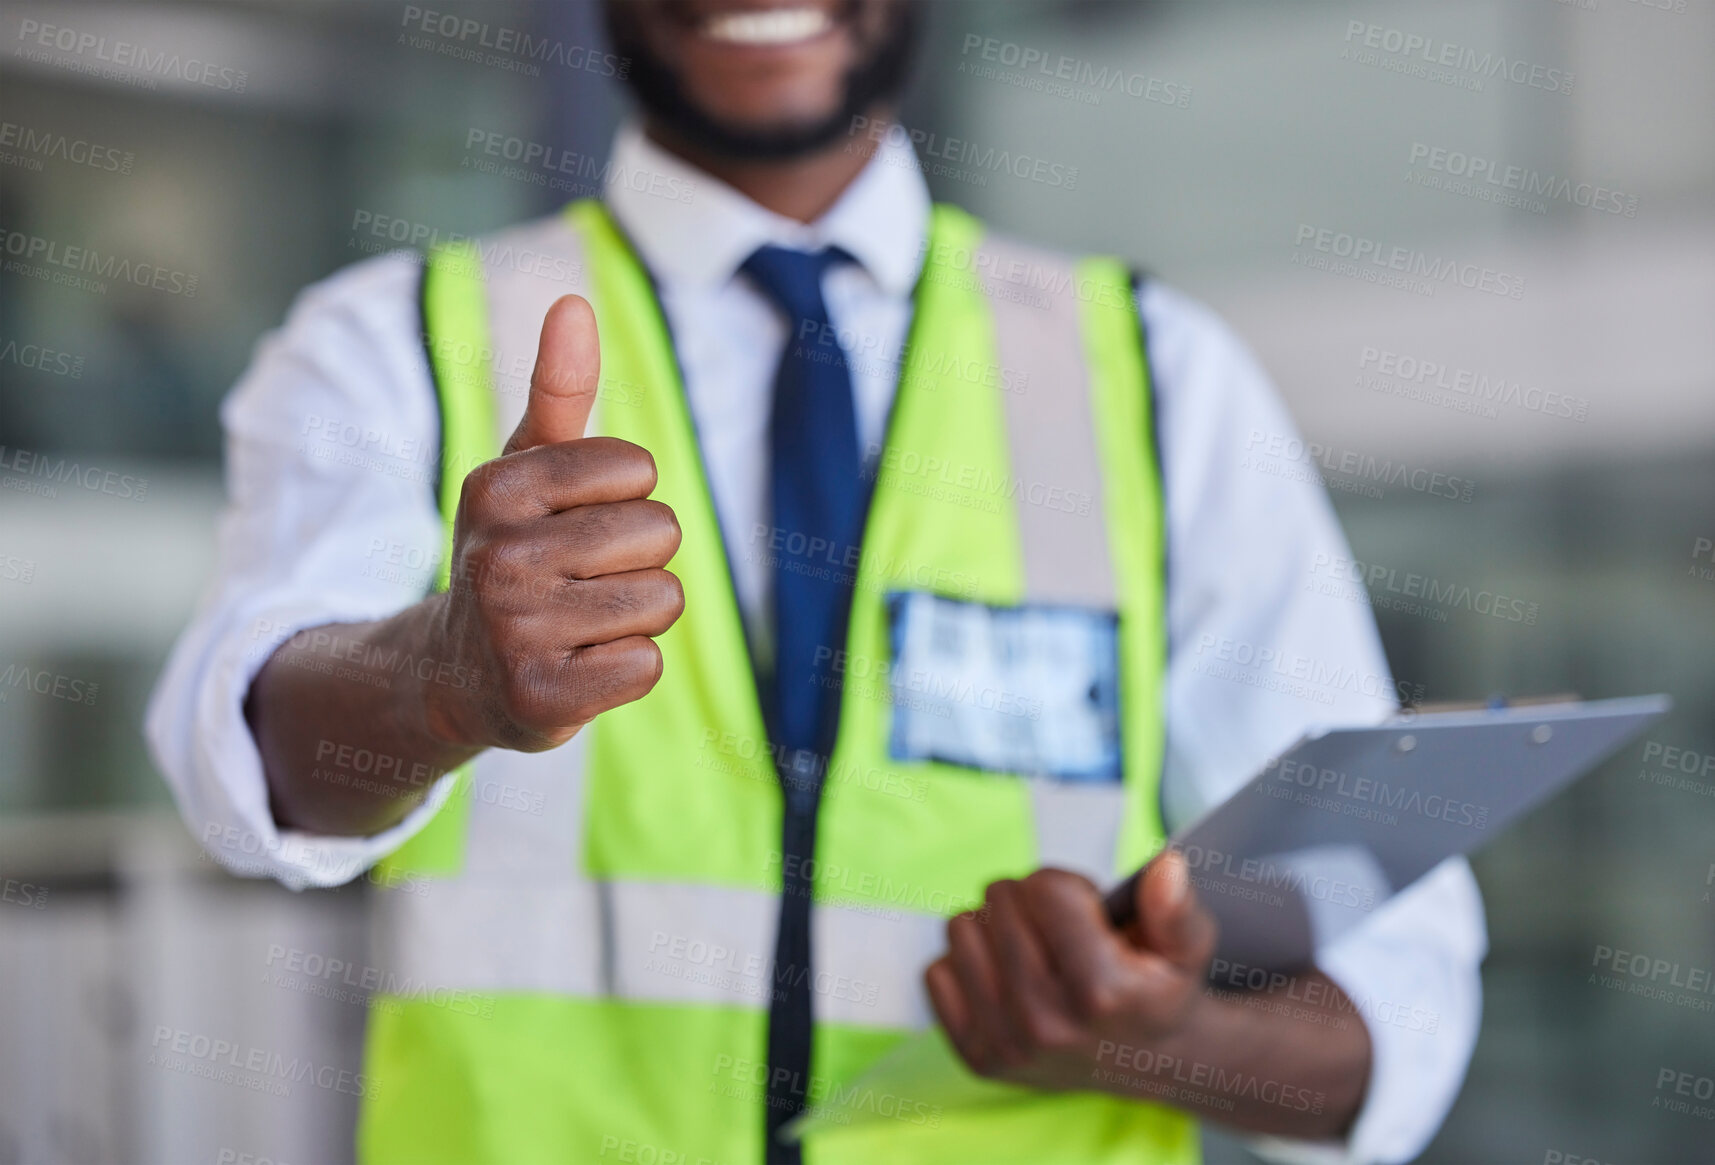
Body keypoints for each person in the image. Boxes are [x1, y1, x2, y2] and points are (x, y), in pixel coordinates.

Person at [147, 1, 1486, 1162]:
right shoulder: (393, 341)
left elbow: (1396, 1005)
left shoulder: (1157, 380)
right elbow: (243, 761)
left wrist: (1160, 1041)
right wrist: (436, 681)